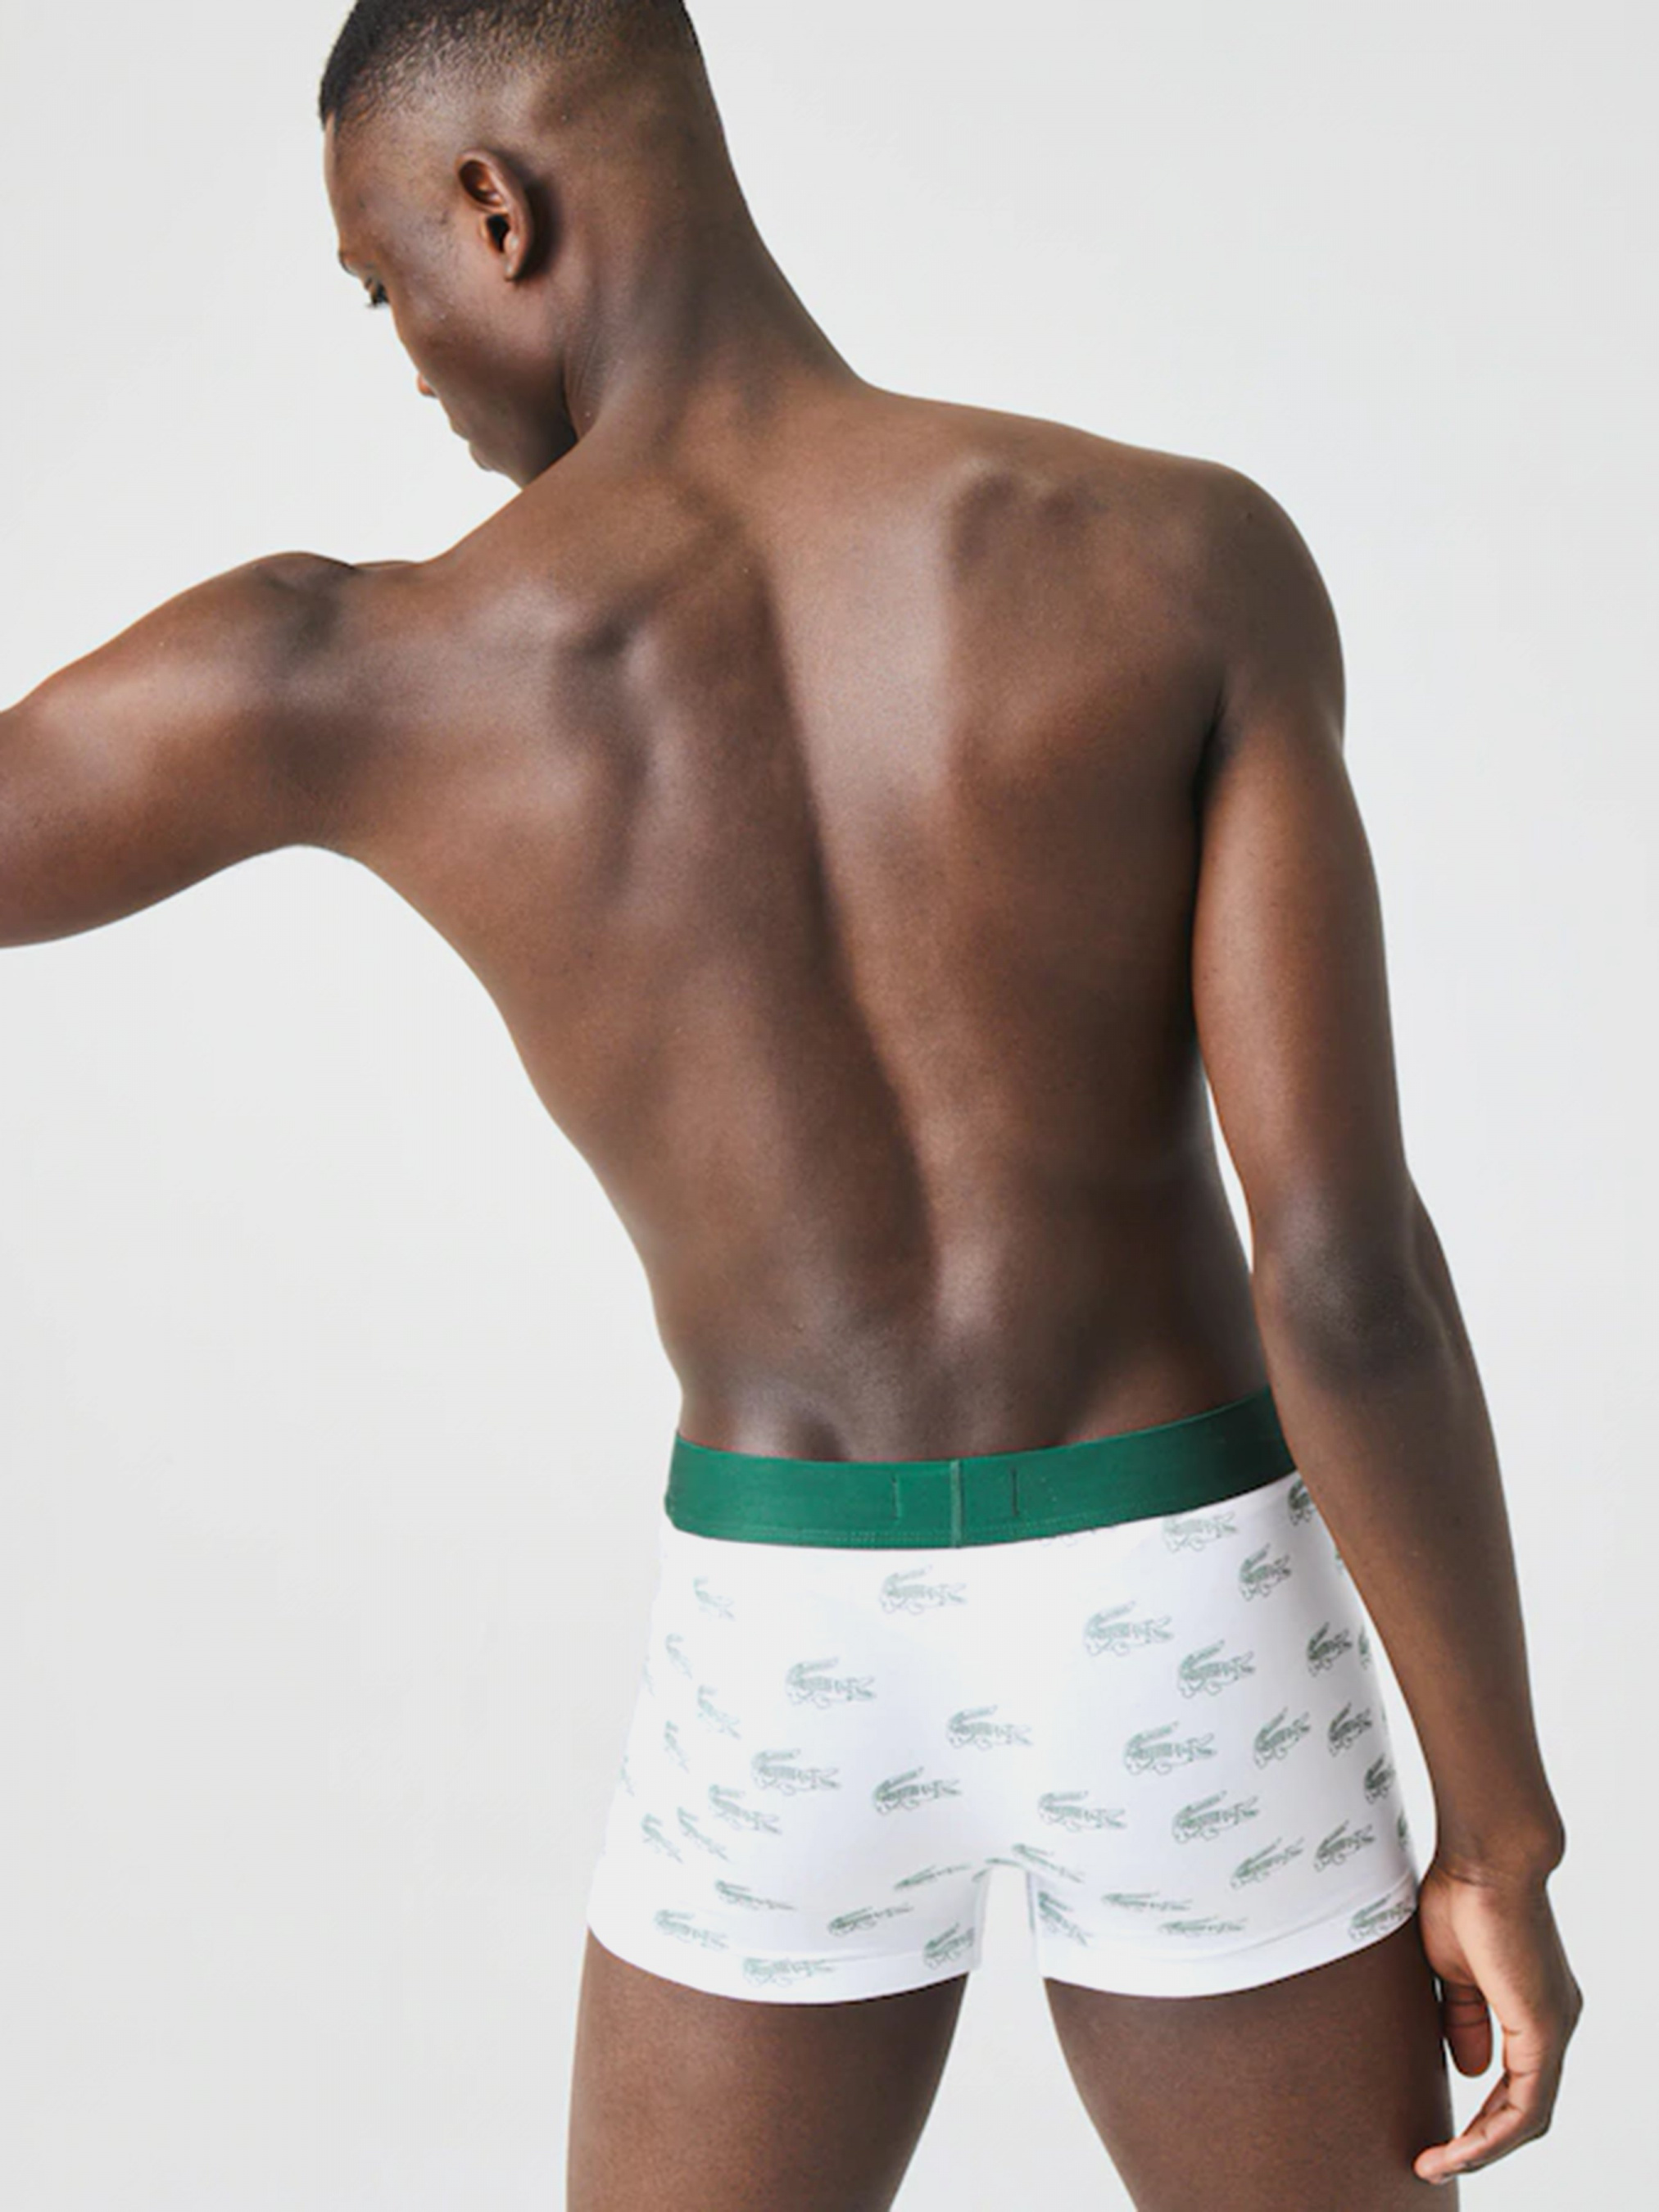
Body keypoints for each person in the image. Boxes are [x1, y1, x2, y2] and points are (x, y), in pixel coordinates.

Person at [0, 2, 1581, 2204]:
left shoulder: (360, 668)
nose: (411, 357)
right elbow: (1340, 1269)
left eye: (383, 285)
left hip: (790, 1640)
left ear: (495, 208)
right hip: (1185, 1602)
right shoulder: (1173, 556)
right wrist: (1496, 1830)